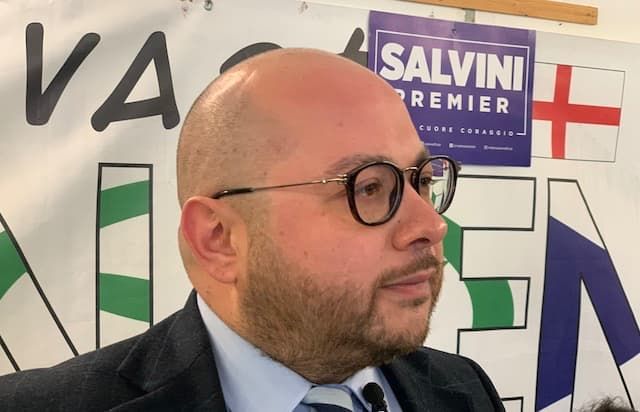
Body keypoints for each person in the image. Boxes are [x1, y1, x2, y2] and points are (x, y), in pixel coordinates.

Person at [0, 48, 504, 411]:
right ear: (218, 238)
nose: (430, 225)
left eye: (422, 181)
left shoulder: (464, 390)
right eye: (368, 188)